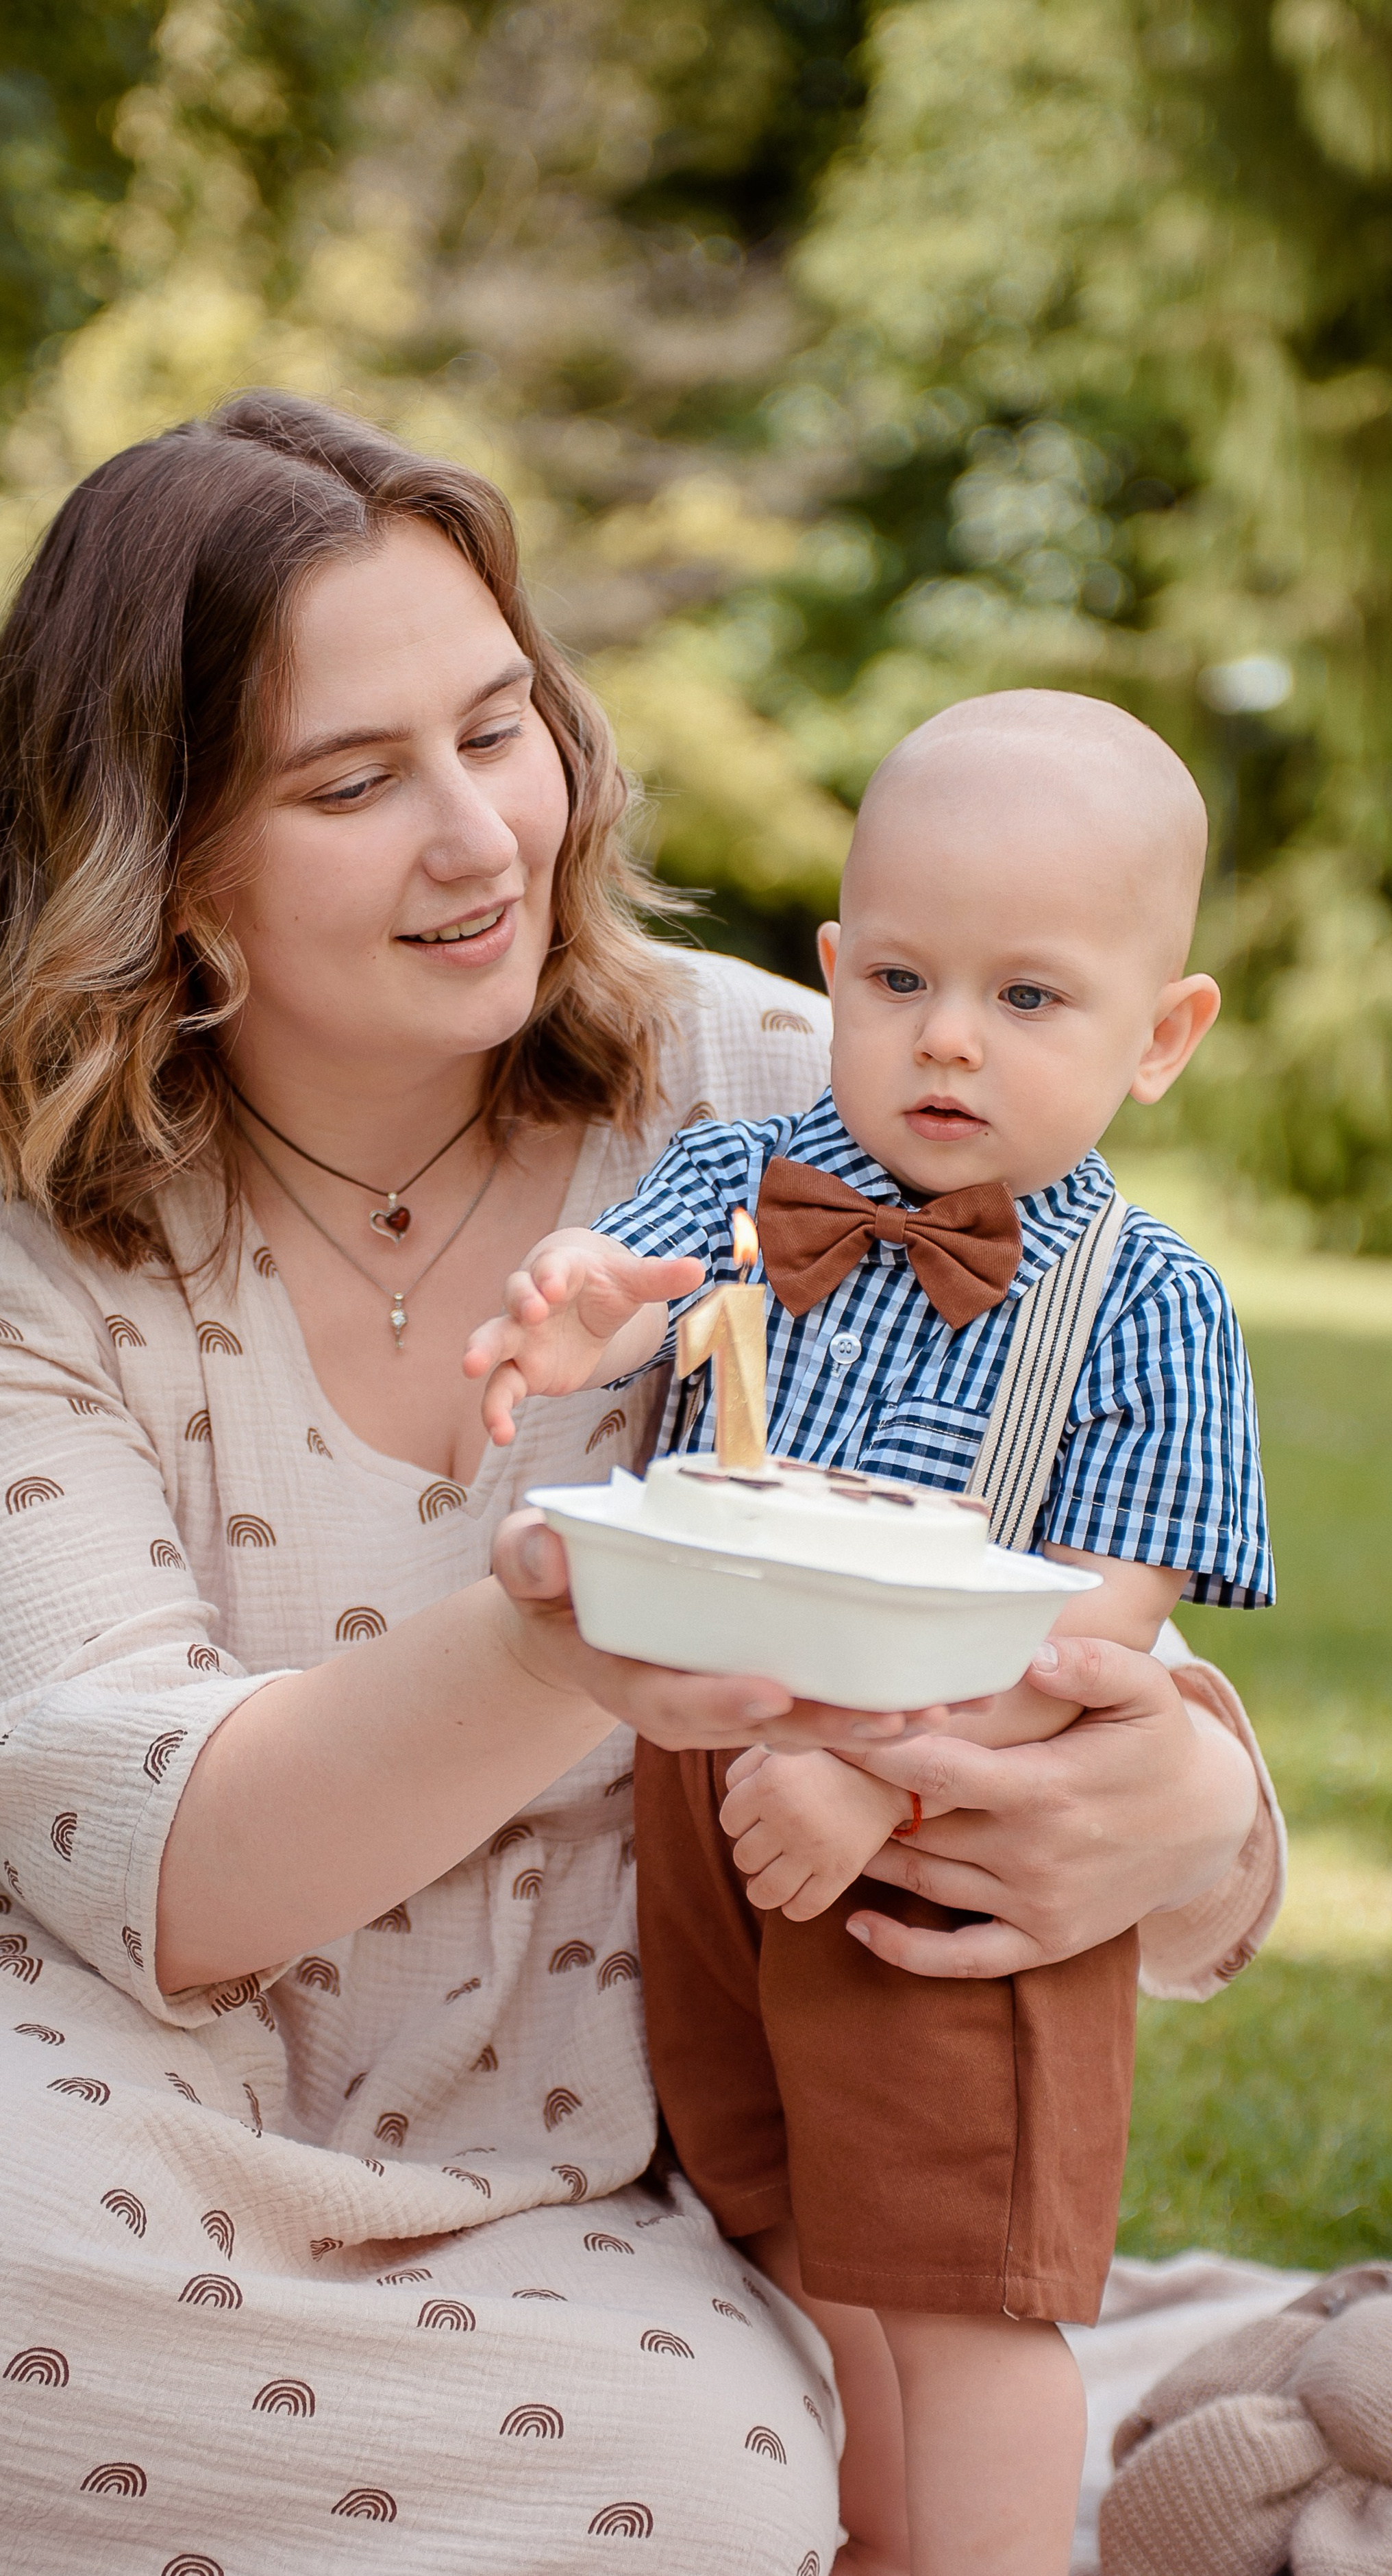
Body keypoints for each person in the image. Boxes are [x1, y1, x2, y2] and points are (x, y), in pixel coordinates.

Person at [0, 398, 1279, 2576]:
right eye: (352, 781)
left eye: (503, 730)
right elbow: (164, 1876)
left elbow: (1054, 1510)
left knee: (690, 2499)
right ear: (162, 856)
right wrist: (570, 1634)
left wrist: (1198, 1815)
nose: (483, 839)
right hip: (70, 2028)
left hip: (583, 2091)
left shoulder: (805, 1087)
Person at [464, 691, 1272, 2576]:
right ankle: (876, 2541)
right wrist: (584, 1317)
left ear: (1164, 1037)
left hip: (948, 1846)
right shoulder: (760, 1193)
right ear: (831, 969)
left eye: (1030, 999)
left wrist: (873, 1789)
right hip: (712, 1822)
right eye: (901, 977)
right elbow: (640, 1293)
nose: (947, 1042)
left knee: (962, 2282)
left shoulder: (1142, 1309)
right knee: (790, 2227)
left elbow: (1087, 1642)